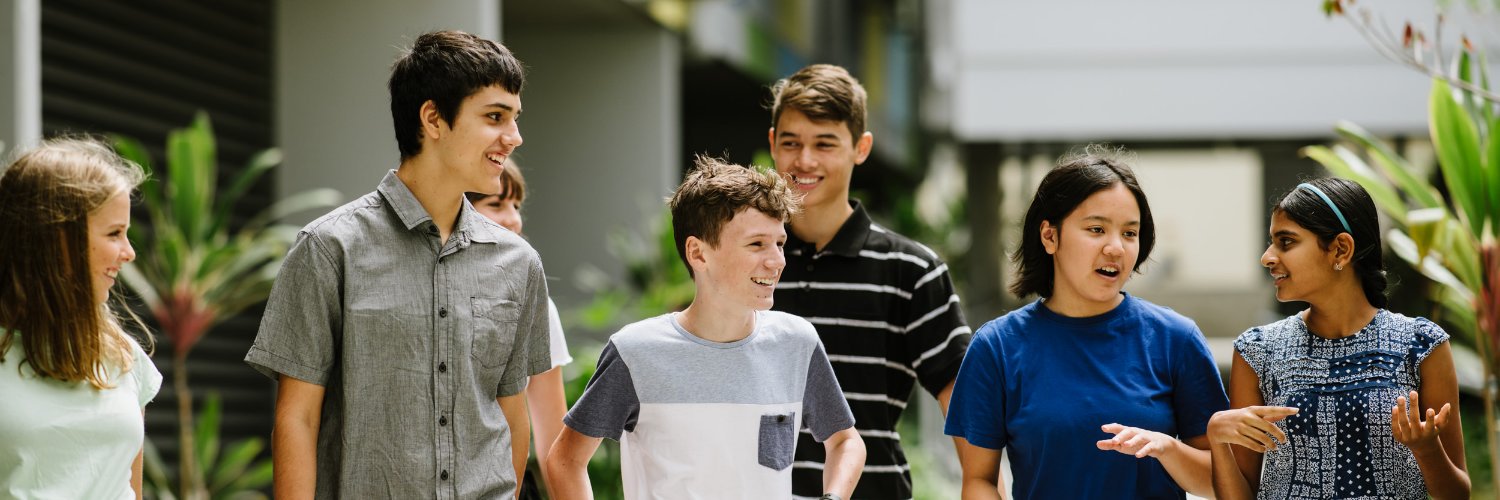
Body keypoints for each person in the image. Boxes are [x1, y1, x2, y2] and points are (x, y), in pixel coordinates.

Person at [245, 30, 551, 499]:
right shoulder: (329, 249)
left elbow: (511, 413)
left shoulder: (519, 263)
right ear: (433, 118)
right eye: (495, 117)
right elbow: (297, 419)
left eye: (515, 118)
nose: (514, 137)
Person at [545, 157, 865, 499]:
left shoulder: (796, 343)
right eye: (757, 244)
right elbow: (565, 460)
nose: (777, 261)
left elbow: (846, 442)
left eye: (780, 243)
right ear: (698, 253)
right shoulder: (635, 353)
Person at [944, 146, 1229, 499]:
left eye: (1129, 233)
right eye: (1096, 229)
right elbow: (979, 481)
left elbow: (1221, 482)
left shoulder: (1177, 339)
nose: (1116, 248)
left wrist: (1168, 449)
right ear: (1050, 236)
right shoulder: (997, 347)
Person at [767, 63, 971, 498]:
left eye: (825, 143)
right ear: (772, 144)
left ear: (861, 148)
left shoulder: (912, 270)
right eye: (791, 142)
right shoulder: (745, 261)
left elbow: (965, 403)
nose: (805, 160)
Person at [1207, 178, 1469, 499]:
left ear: (1340, 249)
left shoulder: (1422, 345)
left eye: (1286, 242)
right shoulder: (1257, 350)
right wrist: (1217, 437)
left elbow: (1458, 494)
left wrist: (1427, 450)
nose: (1267, 257)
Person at [0, 138, 162, 498]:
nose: (129, 253)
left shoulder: (123, 355)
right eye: (114, 233)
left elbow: (131, 489)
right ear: (56, 239)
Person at [463, 159, 574, 498]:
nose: (513, 219)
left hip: (509, 487)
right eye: (497, 204)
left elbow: (554, 442)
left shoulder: (537, 304)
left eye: (516, 205)